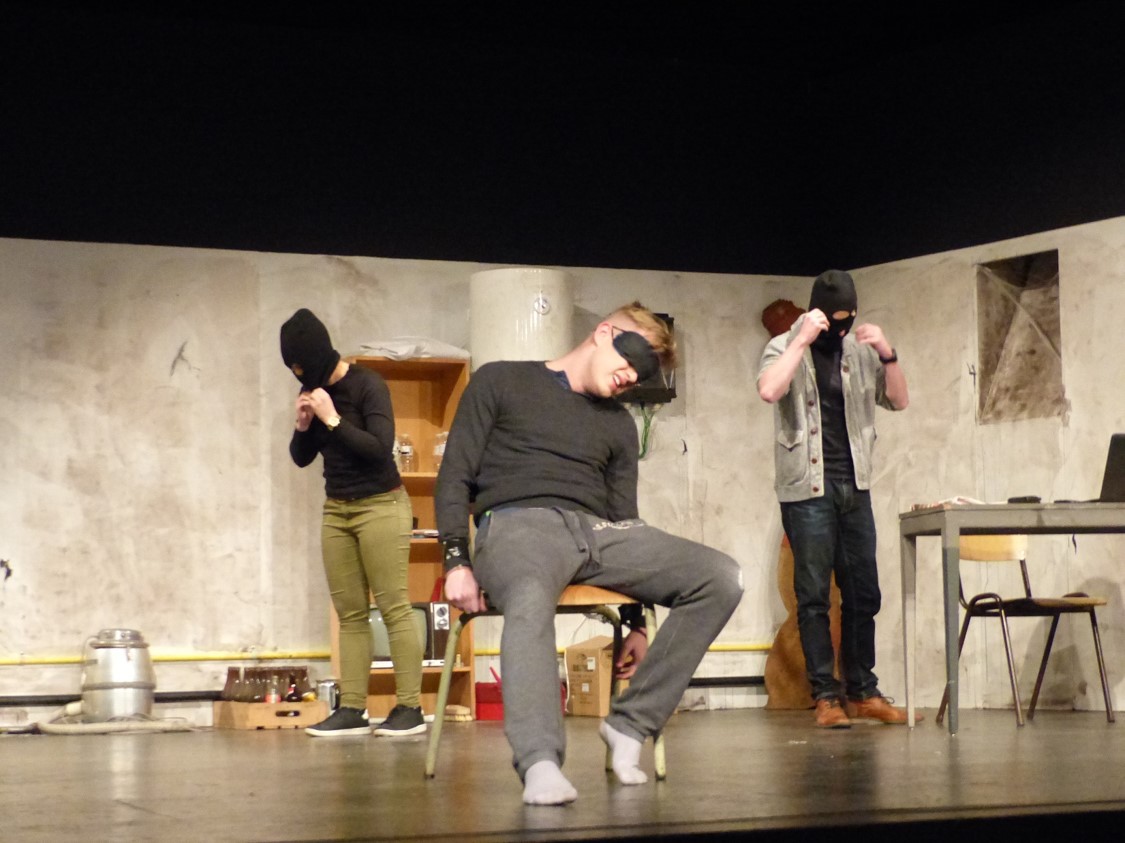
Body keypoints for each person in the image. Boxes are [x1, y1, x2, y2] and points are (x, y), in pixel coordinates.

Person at [435, 302, 743, 805]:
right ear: (603, 333)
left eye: (642, 374)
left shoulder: (618, 424)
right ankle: (539, 762)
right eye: (630, 360)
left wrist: (636, 621)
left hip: (600, 533)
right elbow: (455, 474)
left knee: (721, 577)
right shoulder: (501, 381)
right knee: (530, 594)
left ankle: (630, 724)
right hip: (517, 525)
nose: (632, 378)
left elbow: (626, 518)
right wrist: (455, 560)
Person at [757, 270, 915, 729]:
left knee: (864, 592)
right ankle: (826, 696)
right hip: (807, 489)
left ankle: (863, 691)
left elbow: (899, 400)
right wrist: (800, 341)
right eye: (834, 317)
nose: (842, 326)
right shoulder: (784, 346)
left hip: (855, 486)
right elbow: (769, 390)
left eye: (850, 316)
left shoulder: (859, 352)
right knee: (812, 598)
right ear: (816, 312)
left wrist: (887, 353)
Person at [280, 308, 426, 737]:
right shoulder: (312, 390)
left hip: (381, 504)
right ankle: (353, 709)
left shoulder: (367, 384)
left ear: (321, 355)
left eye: (303, 368)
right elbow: (302, 458)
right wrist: (302, 426)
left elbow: (379, 449)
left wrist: (331, 418)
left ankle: (411, 708)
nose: (302, 378)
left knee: (394, 607)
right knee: (350, 614)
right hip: (337, 509)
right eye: (295, 371)